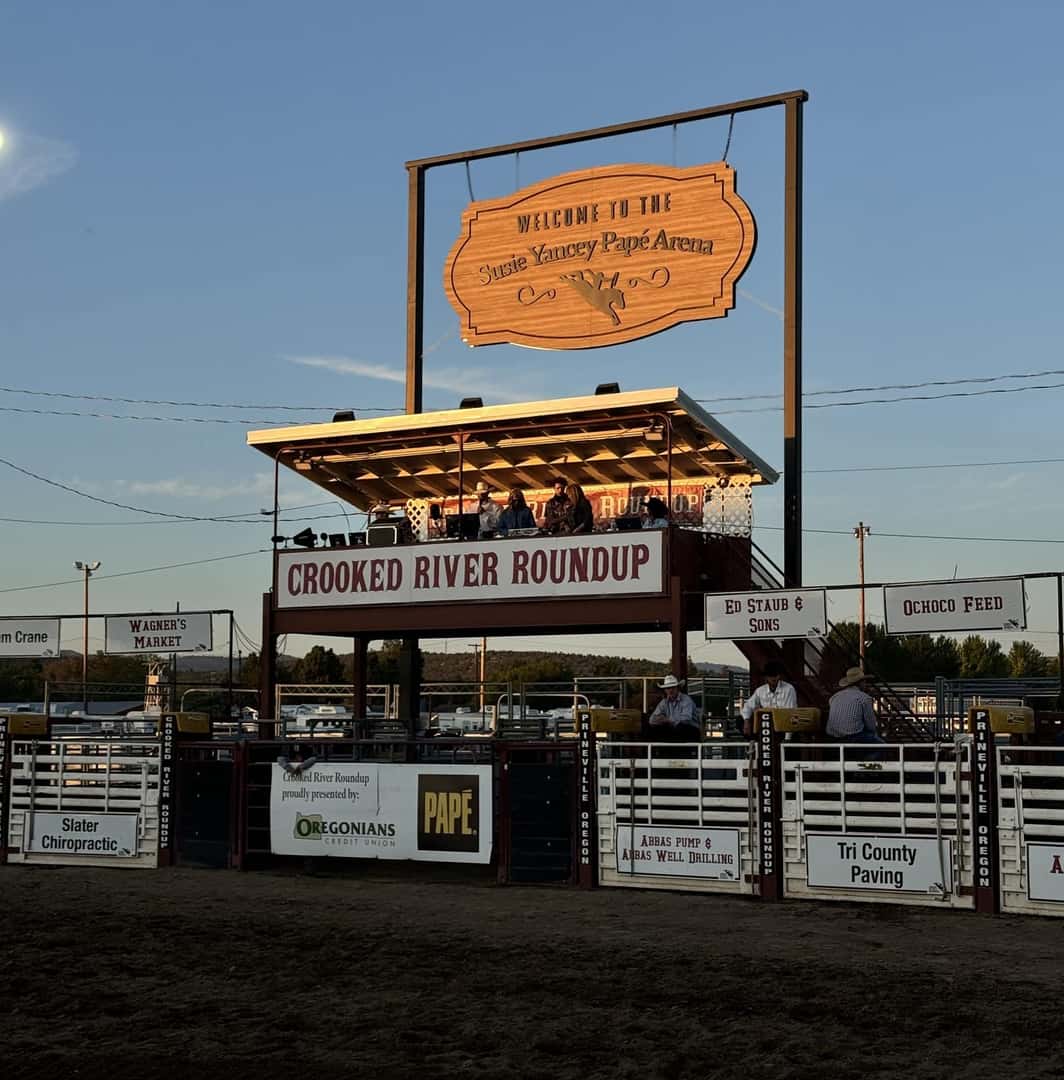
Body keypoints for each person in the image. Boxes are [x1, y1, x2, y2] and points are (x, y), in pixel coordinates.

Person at [826, 667, 884, 744]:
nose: (865, 684)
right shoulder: (864, 698)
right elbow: (871, 726)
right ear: (861, 683)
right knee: (882, 745)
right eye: (864, 681)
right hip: (853, 738)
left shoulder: (834, 697)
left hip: (832, 738)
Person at [740, 660, 798, 737]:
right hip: (766, 723)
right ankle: (753, 741)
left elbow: (790, 713)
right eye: (770, 675)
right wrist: (746, 721)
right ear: (766, 677)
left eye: (775, 675)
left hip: (782, 722)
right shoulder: (760, 690)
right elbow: (748, 706)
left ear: (779, 676)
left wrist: (787, 739)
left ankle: (785, 742)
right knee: (740, 720)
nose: (773, 678)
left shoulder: (789, 689)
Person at [648, 674, 702, 741]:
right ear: (665, 690)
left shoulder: (686, 700)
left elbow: (686, 719)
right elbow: (652, 720)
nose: (670, 690)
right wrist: (664, 721)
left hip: (690, 730)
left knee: (680, 728)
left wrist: (667, 720)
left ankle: (669, 749)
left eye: (673, 688)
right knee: (656, 729)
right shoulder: (664, 702)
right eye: (668, 688)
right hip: (673, 731)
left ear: (677, 688)